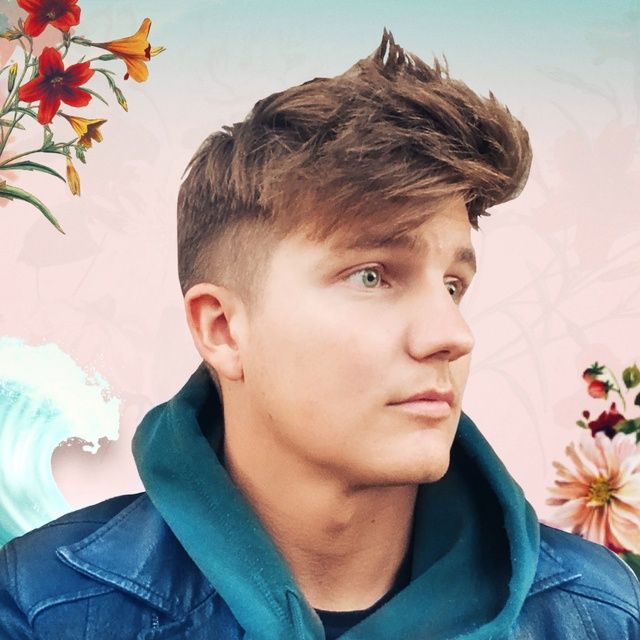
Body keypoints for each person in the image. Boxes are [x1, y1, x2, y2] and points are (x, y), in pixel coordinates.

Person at [1, 29, 639, 640]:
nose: (452, 335)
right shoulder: (39, 608)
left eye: (453, 285)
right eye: (372, 276)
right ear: (223, 329)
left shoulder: (600, 614)